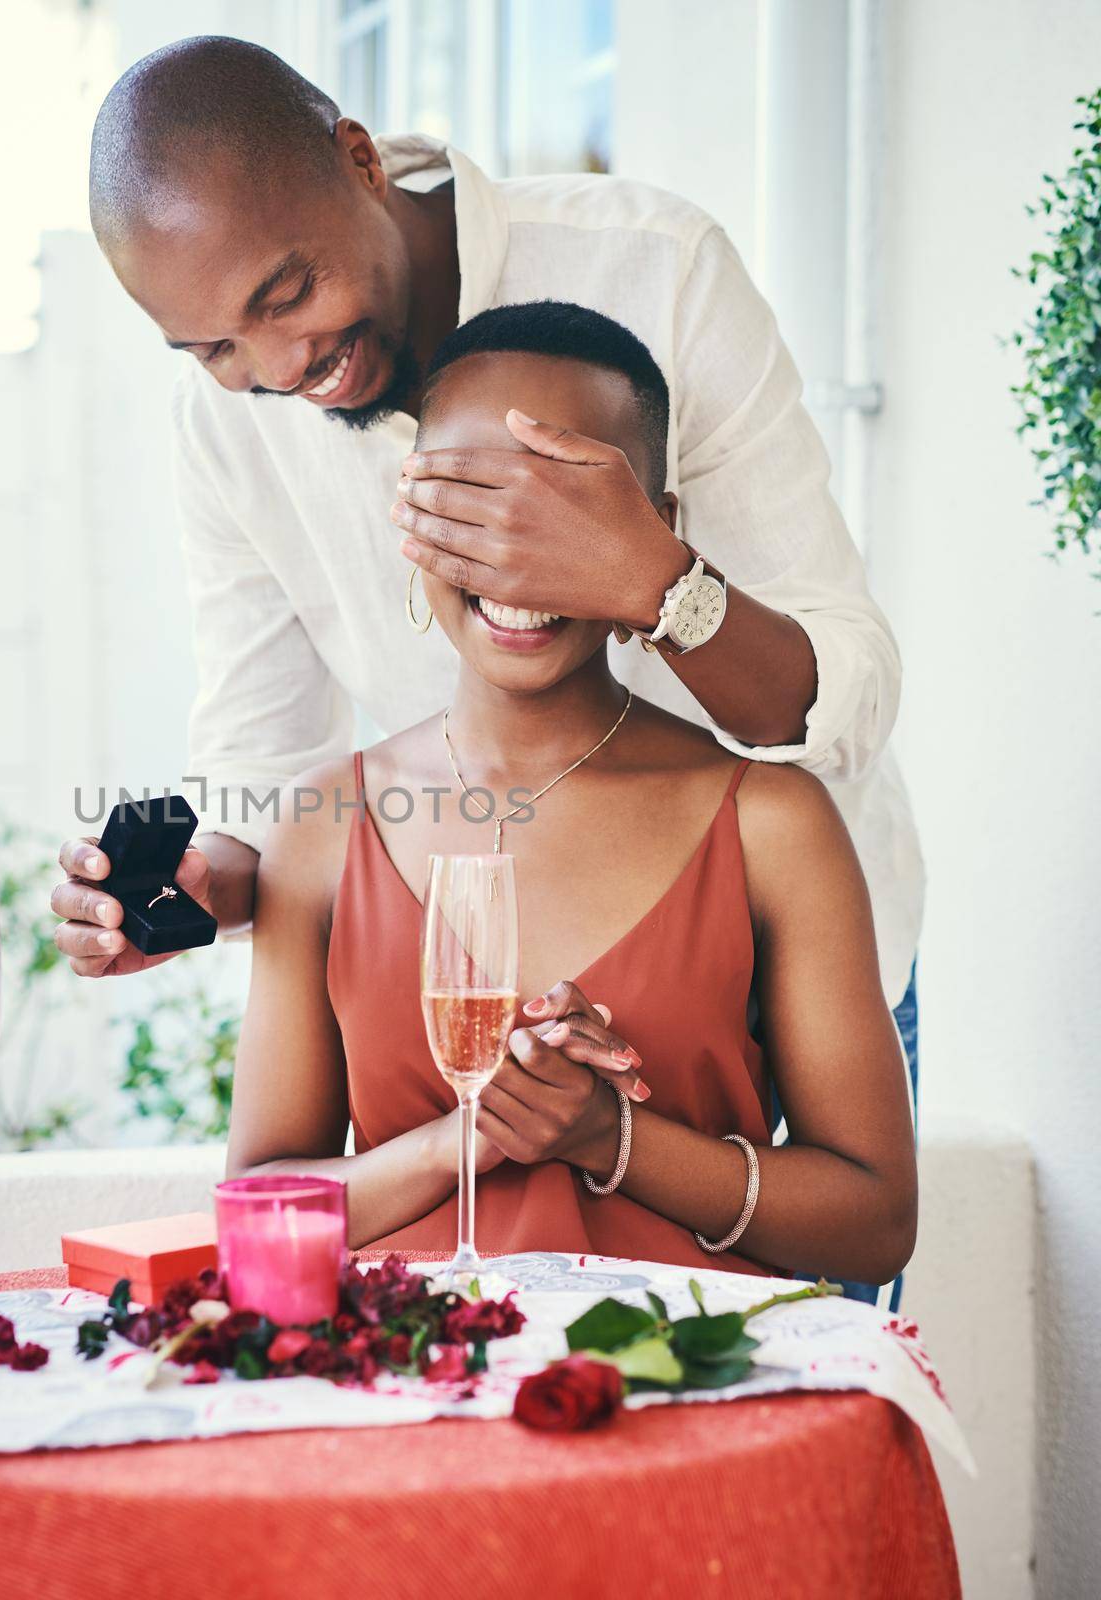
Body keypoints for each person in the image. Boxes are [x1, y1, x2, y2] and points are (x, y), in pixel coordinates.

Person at [54, 39, 922, 1289]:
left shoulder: (654, 270)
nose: (278, 370)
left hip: (769, 986)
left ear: (359, 159)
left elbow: (840, 705)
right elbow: (263, 777)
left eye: (286, 294)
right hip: (444, 974)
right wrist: (184, 891)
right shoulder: (234, 426)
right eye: (212, 348)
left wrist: (652, 582)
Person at [222, 301, 916, 1285]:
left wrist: (612, 1138)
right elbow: (256, 1219)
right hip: (412, 1400)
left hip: (688, 1400)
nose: (518, 553)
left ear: (655, 532)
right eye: (473, 501)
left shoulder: (770, 823)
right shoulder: (324, 827)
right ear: (413, 518)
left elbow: (875, 1224)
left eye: (570, 508)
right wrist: (461, 1141)